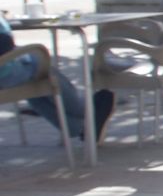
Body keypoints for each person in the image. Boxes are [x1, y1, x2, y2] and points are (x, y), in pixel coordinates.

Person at [0, 14, 114, 143]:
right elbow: (4, 43)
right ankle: (87, 110)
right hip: (6, 73)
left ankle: (79, 126)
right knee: (43, 68)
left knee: (36, 84)